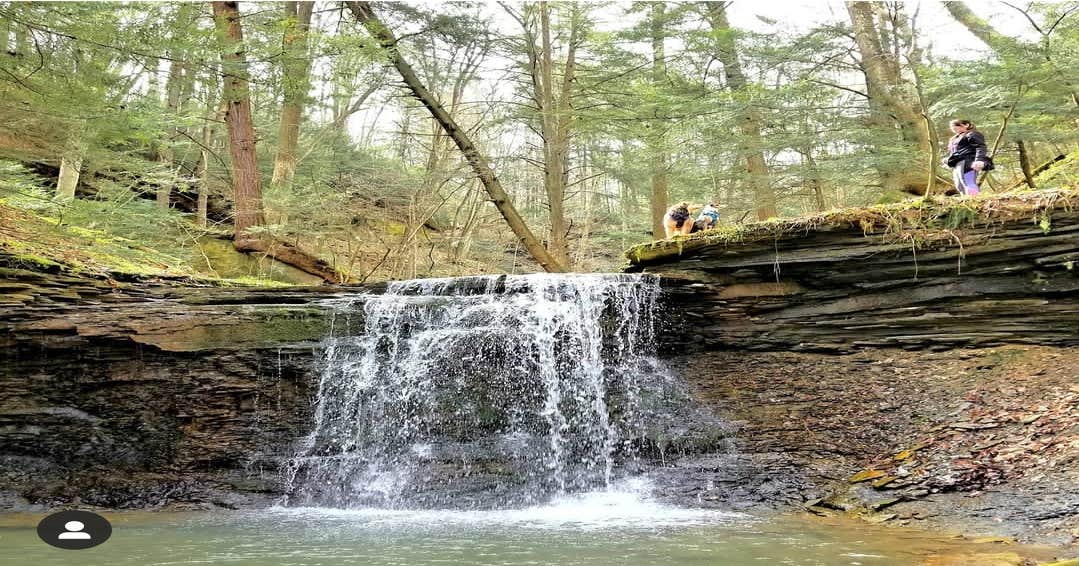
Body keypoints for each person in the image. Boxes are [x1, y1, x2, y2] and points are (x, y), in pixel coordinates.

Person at [943, 119, 990, 196]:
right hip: (957, 163)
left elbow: (980, 147)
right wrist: (949, 160)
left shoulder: (973, 134)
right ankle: (966, 200)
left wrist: (978, 160)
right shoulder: (955, 138)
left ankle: (975, 201)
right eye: (951, 127)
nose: (952, 128)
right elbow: (955, 152)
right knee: (959, 185)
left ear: (966, 125)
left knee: (968, 181)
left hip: (968, 161)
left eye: (955, 126)